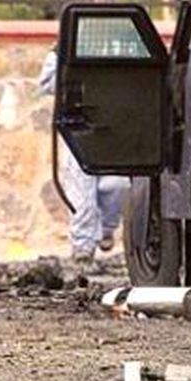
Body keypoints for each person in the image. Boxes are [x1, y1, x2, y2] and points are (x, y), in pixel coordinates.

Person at [38, 48, 130, 260]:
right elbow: (47, 84)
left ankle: (107, 227)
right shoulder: (62, 49)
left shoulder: (121, 47)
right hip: (78, 127)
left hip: (112, 127)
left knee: (118, 184)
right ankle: (83, 246)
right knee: (81, 193)